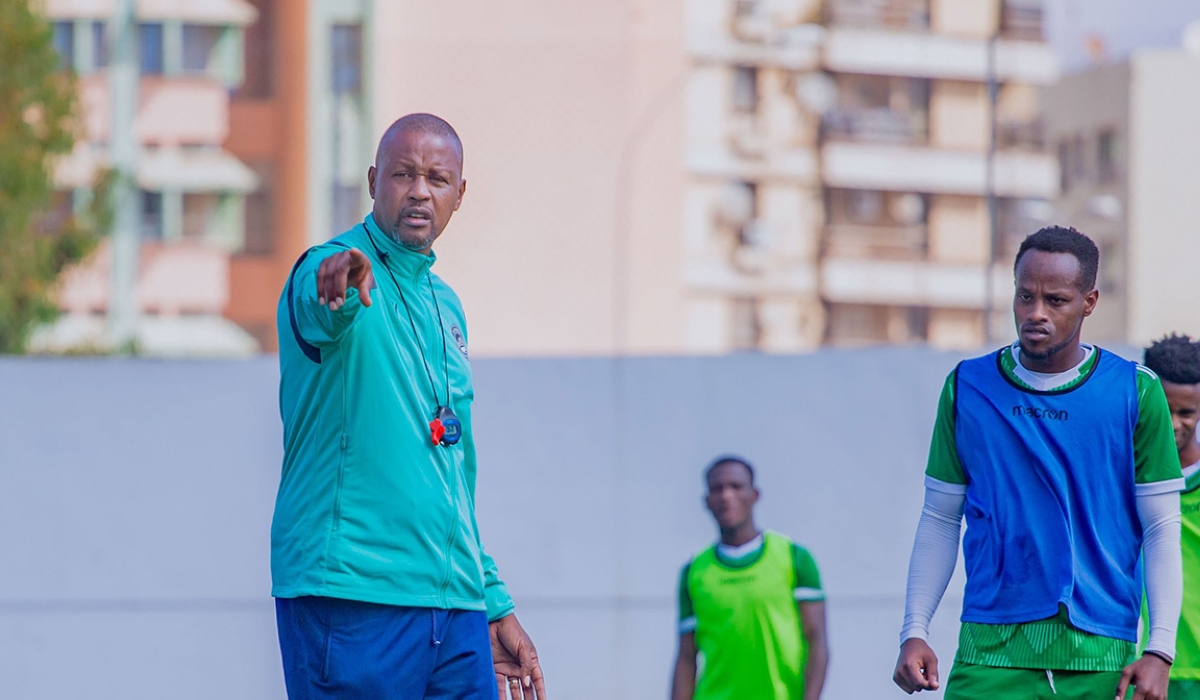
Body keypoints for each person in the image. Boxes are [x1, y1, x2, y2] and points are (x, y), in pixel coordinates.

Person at [270, 113, 546, 700]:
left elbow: (452, 474)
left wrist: (491, 601)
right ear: (373, 181)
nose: (420, 190)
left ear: (459, 195)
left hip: (454, 607)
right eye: (403, 174)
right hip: (352, 595)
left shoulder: (447, 306)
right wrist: (337, 284)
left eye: (437, 178)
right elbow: (323, 308)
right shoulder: (329, 266)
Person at [891, 226, 1184, 700]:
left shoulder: (1136, 391)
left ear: (1089, 302)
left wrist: (1160, 650)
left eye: (1055, 300)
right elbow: (941, 517)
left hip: (1100, 656)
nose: (1035, 313)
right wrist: (914, 628)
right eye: (1024, 296)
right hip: (990, 650)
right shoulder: (967, 386)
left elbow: (1161, 527)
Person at [671, 456, 829, 700]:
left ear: (754, 495)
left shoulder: (794, 558)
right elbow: (686, 657)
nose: (726, 496)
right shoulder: (694, 572)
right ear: (707, 501)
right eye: (717, 489)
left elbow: (816, 641)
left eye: (735, 486)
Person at [1143, 333, 1200, 699]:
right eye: (1164, 408)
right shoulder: (1121, 477)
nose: (1174, 422)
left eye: (1187, 412)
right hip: (1137, 661)